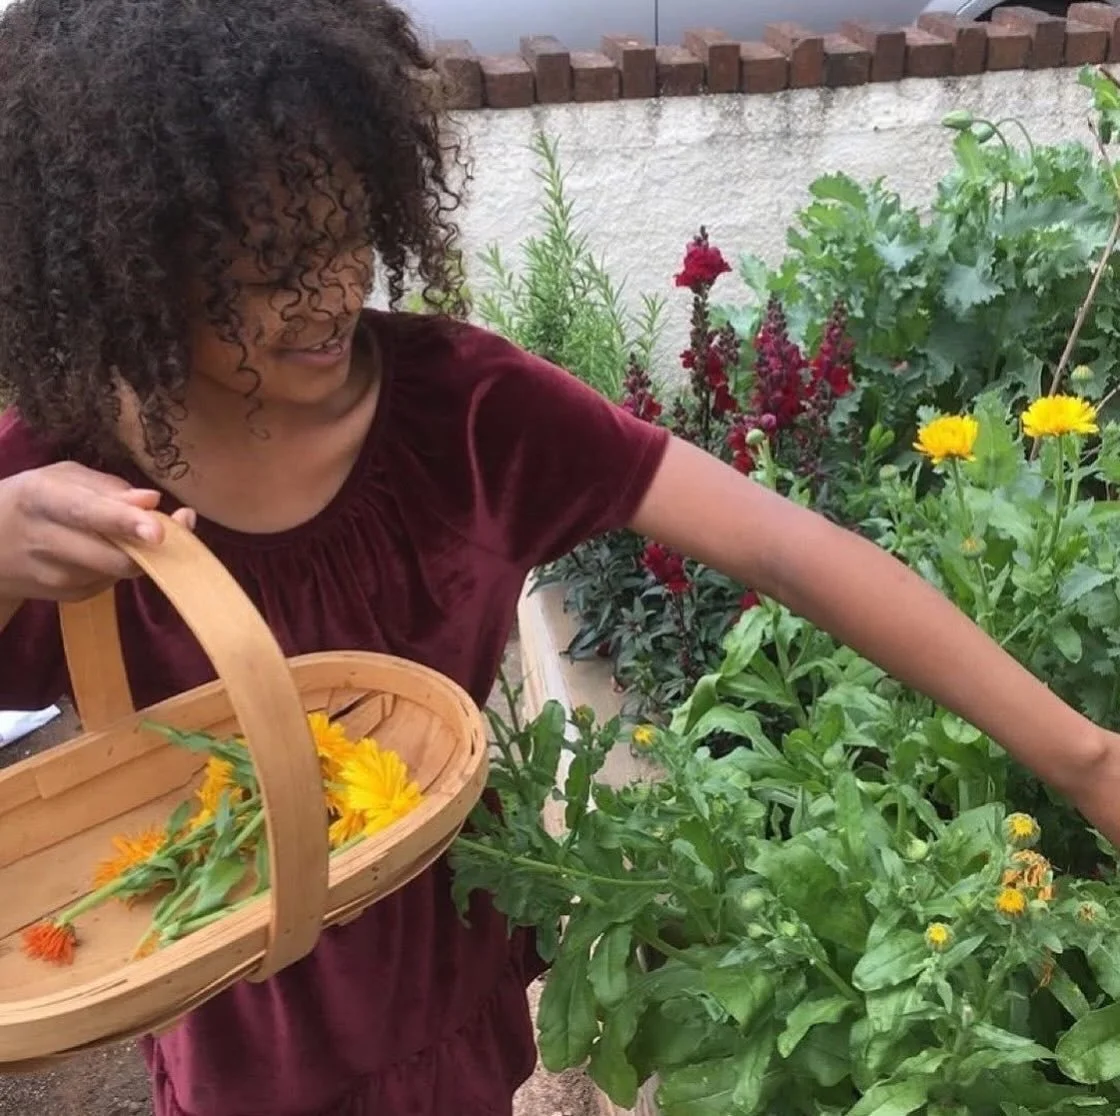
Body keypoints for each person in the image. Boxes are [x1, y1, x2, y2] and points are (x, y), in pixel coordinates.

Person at [0, 0, 1118, 1113]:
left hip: (448, 989)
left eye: (346, 232)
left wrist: (1086, 761)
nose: (331, 293)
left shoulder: (467, 414)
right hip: (235, 1027)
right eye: (267, 268)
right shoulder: (56, 478)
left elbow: (785, 547)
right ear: (128, 266)